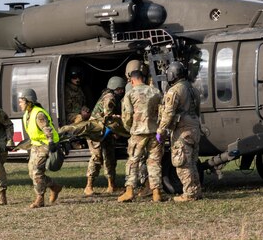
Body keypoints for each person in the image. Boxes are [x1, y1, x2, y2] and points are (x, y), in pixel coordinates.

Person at [158, 61, 203, 202]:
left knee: (182, 163)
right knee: (192, 163)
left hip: (182, 130)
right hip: (194, 128)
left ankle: (189, 194)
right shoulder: (192, 89)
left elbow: (168, 114)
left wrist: (161, 130)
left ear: (172, 74)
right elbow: (197, 111)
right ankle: (196, 191)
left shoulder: (174, 91)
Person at [119, 70, 164, 203]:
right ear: (142, 78)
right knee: (154, 162)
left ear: (132, 80)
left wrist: (129, 128)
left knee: (133, 161)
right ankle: (156, 192)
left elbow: (127, 116)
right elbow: (162, 112)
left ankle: (129, 191)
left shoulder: (130, 94)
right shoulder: (156, 92)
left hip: (138, 133)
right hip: (154, 132)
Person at [18, 88, 63, 208]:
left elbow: (47, 129)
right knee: (31, 173)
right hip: (36, 145)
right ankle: (54, 186)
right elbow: (33, 134)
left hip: (45, 145)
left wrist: (51, 142)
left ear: (28, 102)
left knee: (37, 172)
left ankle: (40, 199)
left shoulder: (39, 114)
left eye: (21, 101)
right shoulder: (27, 114)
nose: (19, 104)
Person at [83, 75, 126, 196]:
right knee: (96, 158)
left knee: (110, 157)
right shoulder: (110, 98)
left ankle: (111, 185)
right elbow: (108, 117)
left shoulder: (109, 96)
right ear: (117, 88)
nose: (122, 91)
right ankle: (89, 186)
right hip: (95, 132)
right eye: (121, 89)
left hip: (105, 131)